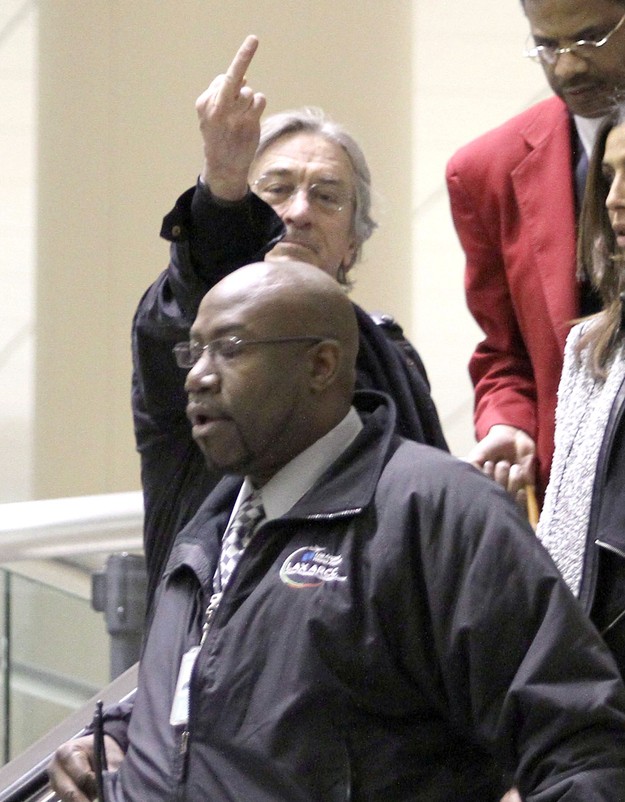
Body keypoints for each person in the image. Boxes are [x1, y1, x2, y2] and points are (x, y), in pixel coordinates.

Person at [49, 260, 625, 801]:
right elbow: (224, 694)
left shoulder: (437, 513)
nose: (198, 376)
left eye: (230, 348)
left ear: (321, 366)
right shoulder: (207, 532)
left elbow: (580, 749)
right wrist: (122, 735)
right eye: (194, 351)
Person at [134, 35, 447, 612]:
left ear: (352, 245)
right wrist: (223, 183)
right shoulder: (183, 325)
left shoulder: (389, 355)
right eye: (276, 190)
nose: (299, 211)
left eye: (326, 197)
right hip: (219, 636)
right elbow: (203, 278)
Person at [446, 0, 625, 504]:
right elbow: (505, 355)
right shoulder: (485, 171)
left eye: (589, 38)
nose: (567, 66)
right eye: (546, 45)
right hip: (581, 499)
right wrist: (509, 423)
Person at [537, 104, 625, 676]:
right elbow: (563, 527)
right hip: (589, 664)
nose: (615, 199)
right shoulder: (589, 347)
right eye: (609, 176)